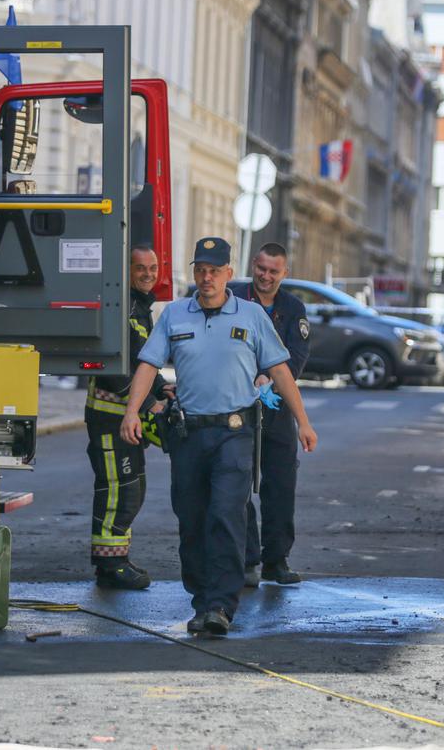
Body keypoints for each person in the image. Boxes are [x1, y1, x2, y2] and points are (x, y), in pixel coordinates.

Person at [120, 237, 318, 636]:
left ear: (229, 274)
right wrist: (131, 412)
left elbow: (281, 371)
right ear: (194, 273)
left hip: (235, 433)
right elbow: (146, 365)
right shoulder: (175, 315)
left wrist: (303, 422)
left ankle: (220, 607)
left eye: (215, 271)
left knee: (226, 516)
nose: (206, 278)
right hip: (189, 435)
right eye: (200, 270)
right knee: (192, 521)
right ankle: (202, 600)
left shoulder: (250, 315)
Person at [83, 245, 170, 589]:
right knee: (118, 490)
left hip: (125, 420)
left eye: (153, 267)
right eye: (140, 268)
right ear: (126, 271)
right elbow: (109, 367)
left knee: (132, 488)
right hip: (109, 418)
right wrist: (150, 403)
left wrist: (164, 388)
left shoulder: (141, 306)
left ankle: (118, 556)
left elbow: (142, 360)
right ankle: (110, 566)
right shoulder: (119, 305)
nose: (148, 274)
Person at [231, 243, 310, 587]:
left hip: (277, 408)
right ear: (254, 266)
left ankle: (276, 560)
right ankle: (247, 559)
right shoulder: (233, 299)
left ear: (284, 274)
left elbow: (296, 357)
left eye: (273, 271)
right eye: (261, 269)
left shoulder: (293, 308)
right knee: (239, 484)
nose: (265, 276)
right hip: (238, 407)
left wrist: (270, 380)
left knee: (280, 486)